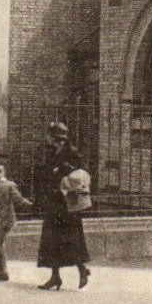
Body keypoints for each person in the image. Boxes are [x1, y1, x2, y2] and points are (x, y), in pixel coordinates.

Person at [34, 120, 91, 290]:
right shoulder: (54, 152)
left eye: (49, 135)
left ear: (54, 137)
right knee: (51, 241)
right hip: (54, 202)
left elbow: (82, 171)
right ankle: (55, 277)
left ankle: (82, 269)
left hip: (66, 204)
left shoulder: (70, 152)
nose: (47, 139)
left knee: (70, 238)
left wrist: (62, 171)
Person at [0, 161, 32, 282]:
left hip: (6, 219)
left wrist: (29, 204)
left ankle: (2, 271)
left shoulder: (9, 185)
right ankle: (1, 270)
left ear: (4, 173)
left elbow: (18, 198)